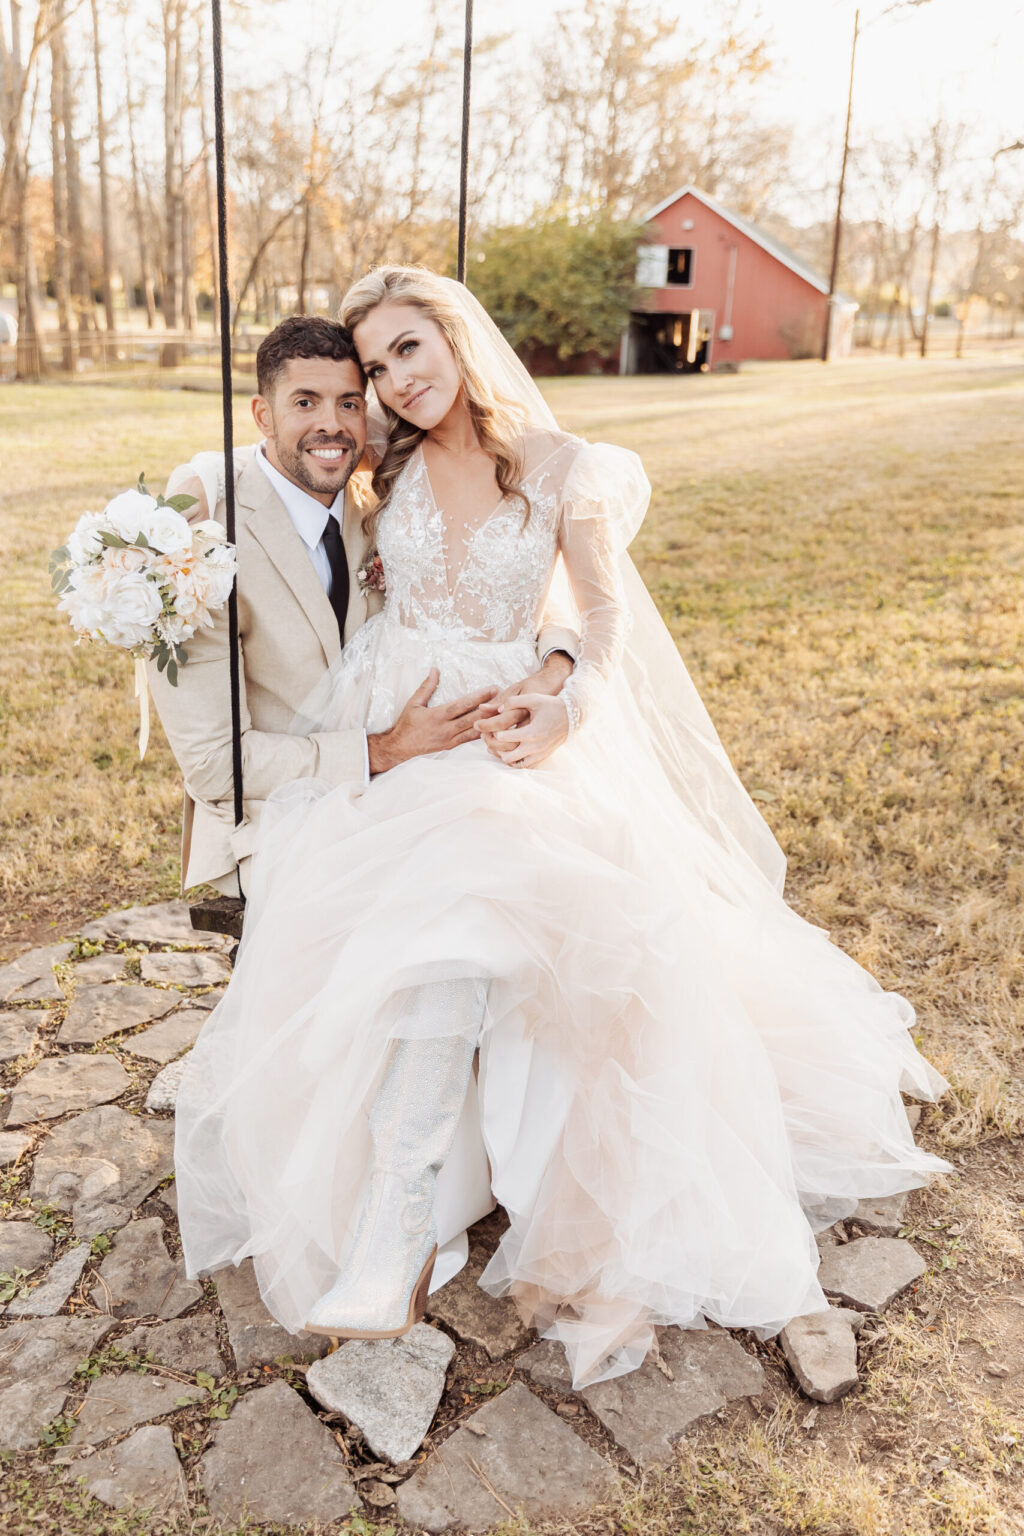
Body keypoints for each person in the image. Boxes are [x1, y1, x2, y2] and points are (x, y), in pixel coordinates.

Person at [170, 268, 950, 1391]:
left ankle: (399, 1230)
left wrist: (559, 694)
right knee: (385, 907)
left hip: (505, 725)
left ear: (453, 338)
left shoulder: (563, 466)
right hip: (393, 712)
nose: (393, 381)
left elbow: (599, 614)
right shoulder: (381, 465)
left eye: (406, 351)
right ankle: (399, 1208)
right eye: (375, 366)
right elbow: (271, 484)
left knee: (472, 904)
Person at [148, 314, 578, 898]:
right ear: (262, 416)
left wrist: (555, 668)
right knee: (454, 892)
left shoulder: (385, 497)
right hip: (291, 805)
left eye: (350, 402)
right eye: (304, 402)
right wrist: (385, 751)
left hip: (442, 766)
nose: (332, 425)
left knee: (538, 868)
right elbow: (217, 765)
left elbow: (504, 589)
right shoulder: (193, 549)